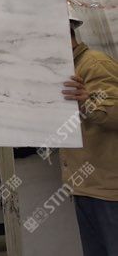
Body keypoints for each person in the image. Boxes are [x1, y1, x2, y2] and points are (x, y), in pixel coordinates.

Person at [61, 15, 118, 256]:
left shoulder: (94, 64)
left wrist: (88, 103)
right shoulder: (68, 68)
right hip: (86, 186)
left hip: (107, 190)